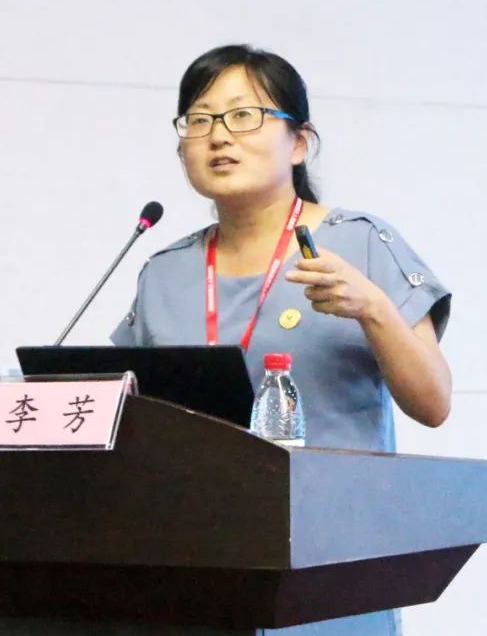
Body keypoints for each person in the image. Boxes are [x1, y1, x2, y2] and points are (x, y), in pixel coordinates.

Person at [110, 45, 452, 635]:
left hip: (329, 568)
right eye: (199, 120)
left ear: (299, 143)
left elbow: (434, 404)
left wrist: (373, 308)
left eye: (244, 115)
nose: (219, 136)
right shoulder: (165, 271)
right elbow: (128, 412)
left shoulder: (359, 243)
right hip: (194, 567)